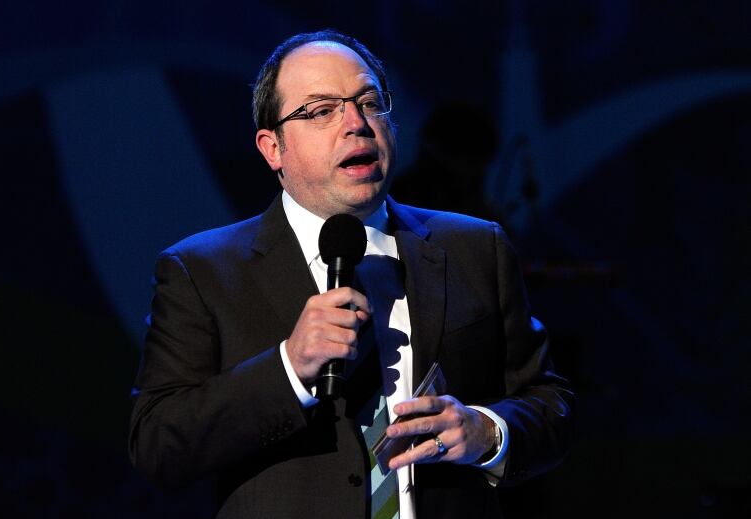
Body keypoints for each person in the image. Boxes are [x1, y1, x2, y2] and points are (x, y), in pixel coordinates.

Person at [128, 29, 574, 519]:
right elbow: (158, 445)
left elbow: (550, 404)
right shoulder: (203, 271)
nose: (357, 124)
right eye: (321, 111)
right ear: (272, 148)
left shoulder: (474, 247)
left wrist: (488, 432)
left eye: (369, 102)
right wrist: (288, 368)